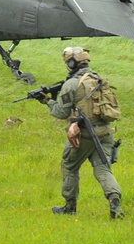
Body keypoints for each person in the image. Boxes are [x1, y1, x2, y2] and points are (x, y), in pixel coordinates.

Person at [45, 47, 124, 219]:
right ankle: (114, 201)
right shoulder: (100, 80)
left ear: (71, 63)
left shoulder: (72, 84)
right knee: (103, 169)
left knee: (69, 166)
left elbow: (60, 112)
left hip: (85, 133)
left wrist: (48, 100)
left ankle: (70, 206)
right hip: (106, 132)